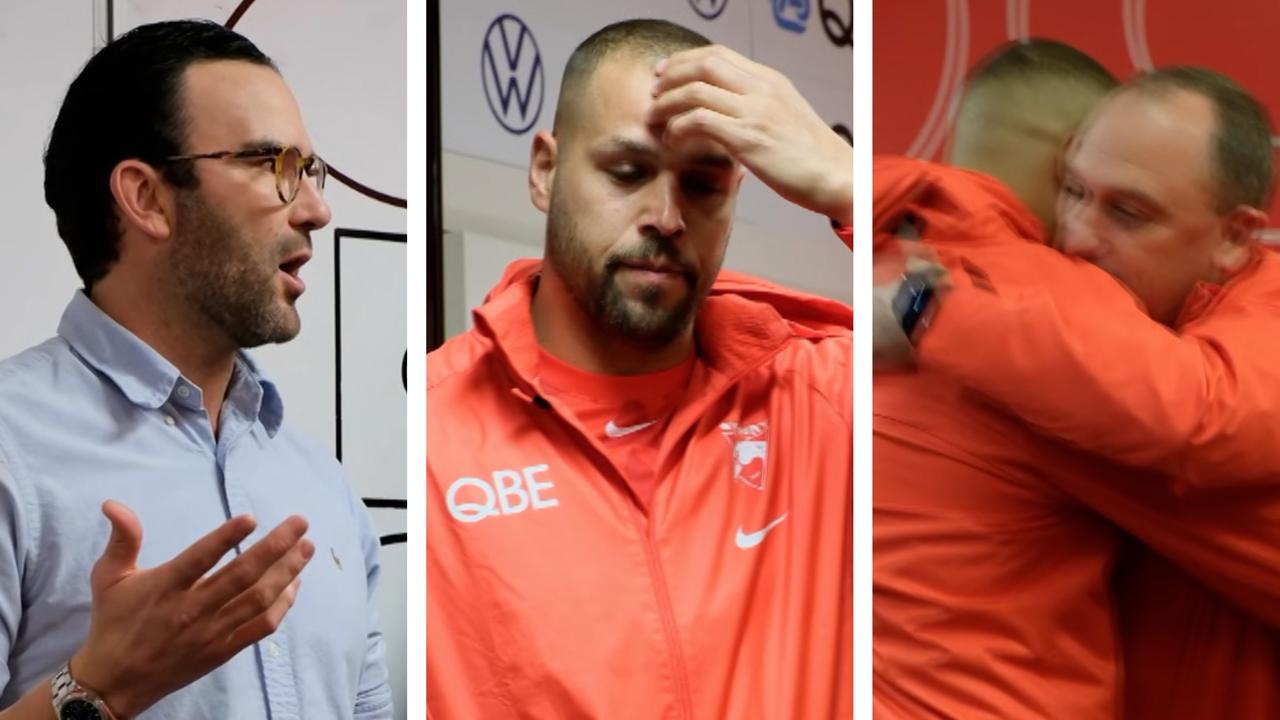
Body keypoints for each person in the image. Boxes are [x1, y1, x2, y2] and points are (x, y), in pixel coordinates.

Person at [426, 18, 853, 719]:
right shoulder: (434, 438)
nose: (665, 216)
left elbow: (1005, 378)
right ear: (544, 170)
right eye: (627, 173)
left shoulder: (821, 397)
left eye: (703, 186)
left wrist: (849, 185)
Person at [0, 20, 391, 719]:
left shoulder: (324, 488)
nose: (317, 209)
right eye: (274, 165)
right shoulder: (10, 448)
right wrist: (99, 691)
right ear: (146, 197)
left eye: (311, 171)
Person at [875, 47, 1280, 718]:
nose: (1079, 237)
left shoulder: (1260, 321)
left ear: (1235, 236)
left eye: (1130, 213)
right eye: (1073, 191)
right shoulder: (1053, 328)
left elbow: (1198, 414)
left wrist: (927, 310)